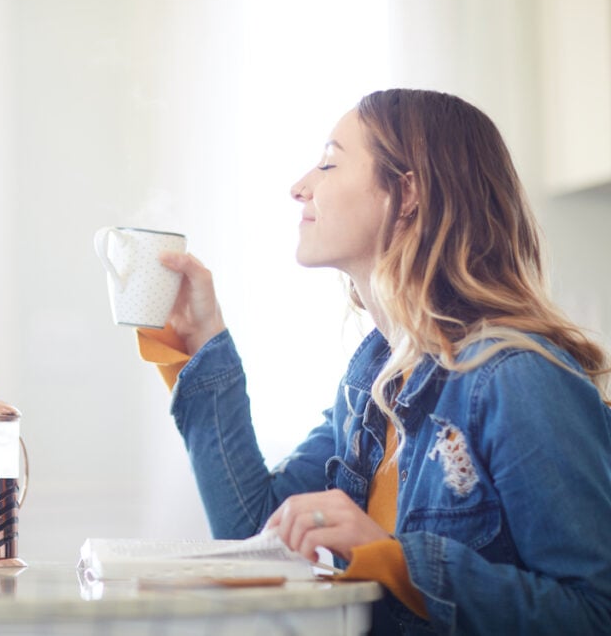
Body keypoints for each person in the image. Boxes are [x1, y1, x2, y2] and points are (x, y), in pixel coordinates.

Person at [137, 89, 611, 634]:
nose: (300, 187)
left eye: (330, 162)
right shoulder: (372, 382)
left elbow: (594, 613)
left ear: (406, 192)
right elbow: (253, 532)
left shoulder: (518, 378)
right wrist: (201, 346)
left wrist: (393, 558)